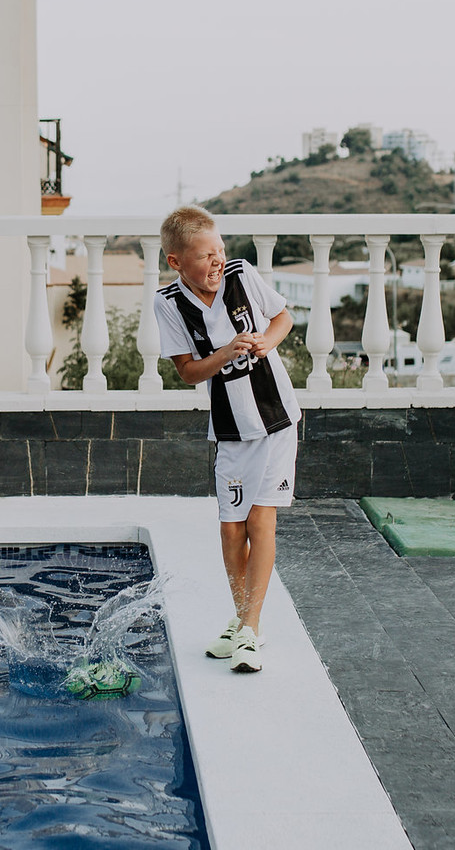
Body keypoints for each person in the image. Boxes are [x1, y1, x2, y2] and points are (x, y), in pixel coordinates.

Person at [153, 205, 301, 673]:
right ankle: (243, 622)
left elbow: (284, 318)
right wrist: (224, 353)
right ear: (177, 262)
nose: (217, 262)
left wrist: (265, 342)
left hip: (277, 420)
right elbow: (187, 372)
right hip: (232, 431)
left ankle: (251, 630)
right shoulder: (168, 303)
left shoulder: (242, 274)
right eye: (204, 256)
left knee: (261, 522)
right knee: (231, 528)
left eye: (219, 251)